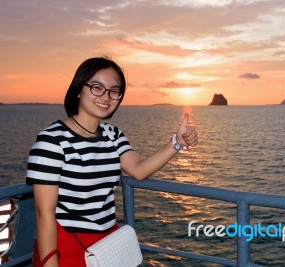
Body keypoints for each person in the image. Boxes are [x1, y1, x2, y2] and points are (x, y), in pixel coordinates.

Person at [26, 57, 198, 267]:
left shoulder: (112, 135)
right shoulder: (52, 141)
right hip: (67, 248)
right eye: (97, 87)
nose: (106, 97)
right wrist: (49, 262)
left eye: (114, 91)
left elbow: (138, 169)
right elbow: (44, 212)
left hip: (107, 245)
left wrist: (176, 144)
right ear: (79, 89)